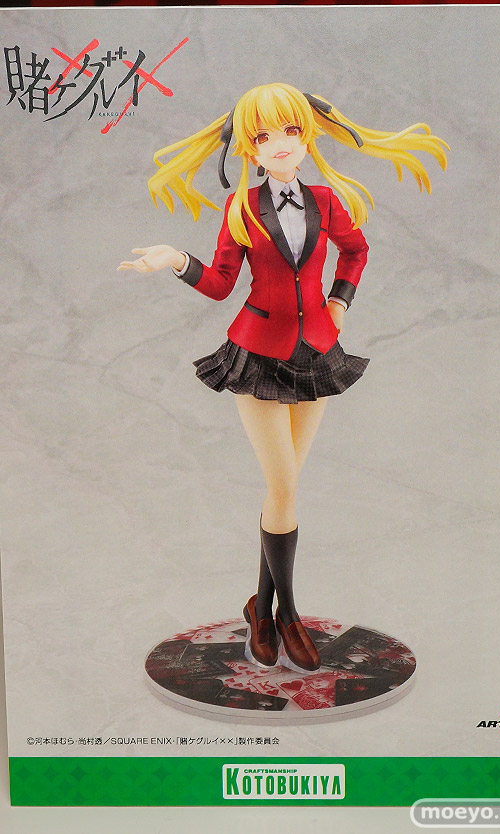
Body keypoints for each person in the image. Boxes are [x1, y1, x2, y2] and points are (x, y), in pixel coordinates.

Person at [118, 82, 448, 673]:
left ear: (308, 136)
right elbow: (221, 284)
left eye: (291, 131)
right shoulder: (241, 207)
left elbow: (356, 251)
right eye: (264, 135)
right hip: (258, 351)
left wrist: (340, 301)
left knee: (284, 490)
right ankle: (288, 612)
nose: (279, 144)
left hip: (316, 350)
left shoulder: (326, 200)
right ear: (248, 146)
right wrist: (175, 260)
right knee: (285, 485)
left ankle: (261, 610)